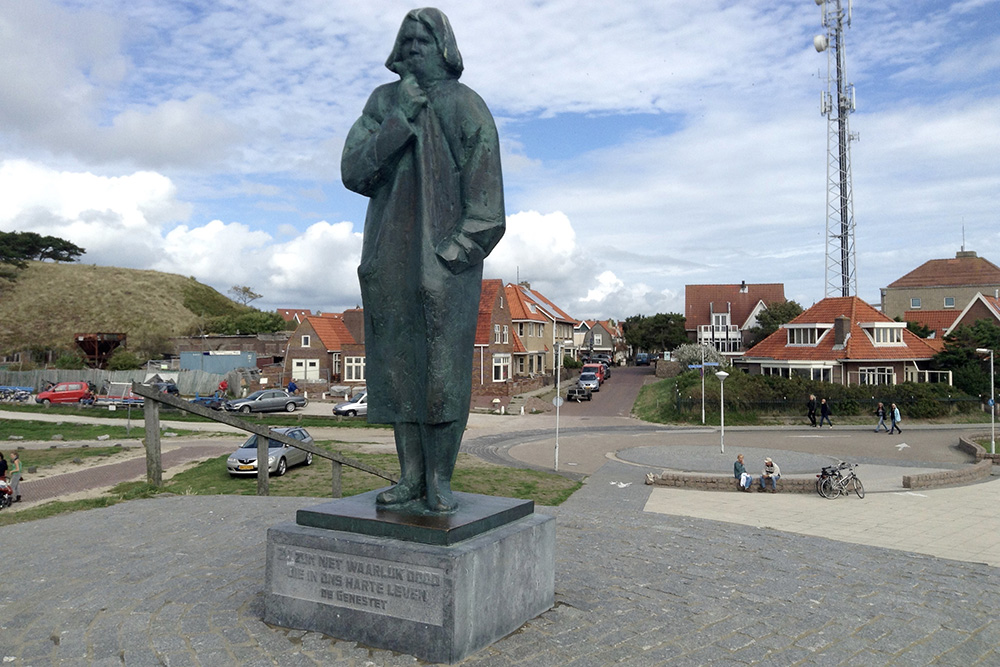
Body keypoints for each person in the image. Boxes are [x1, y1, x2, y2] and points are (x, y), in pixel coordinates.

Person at [342, 8, 505, 513]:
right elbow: (353, 171)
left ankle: (440, 480)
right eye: (406, 41)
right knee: (397, 372)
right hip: (389, 261)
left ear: (445, 49)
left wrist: (452, 257)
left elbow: (487, 204)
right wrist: (398, 122)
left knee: (442, 374)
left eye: (423, 41)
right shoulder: (384, 102)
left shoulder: (466, 106)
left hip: (444, 269)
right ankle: (410, 477)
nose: (413, 49)